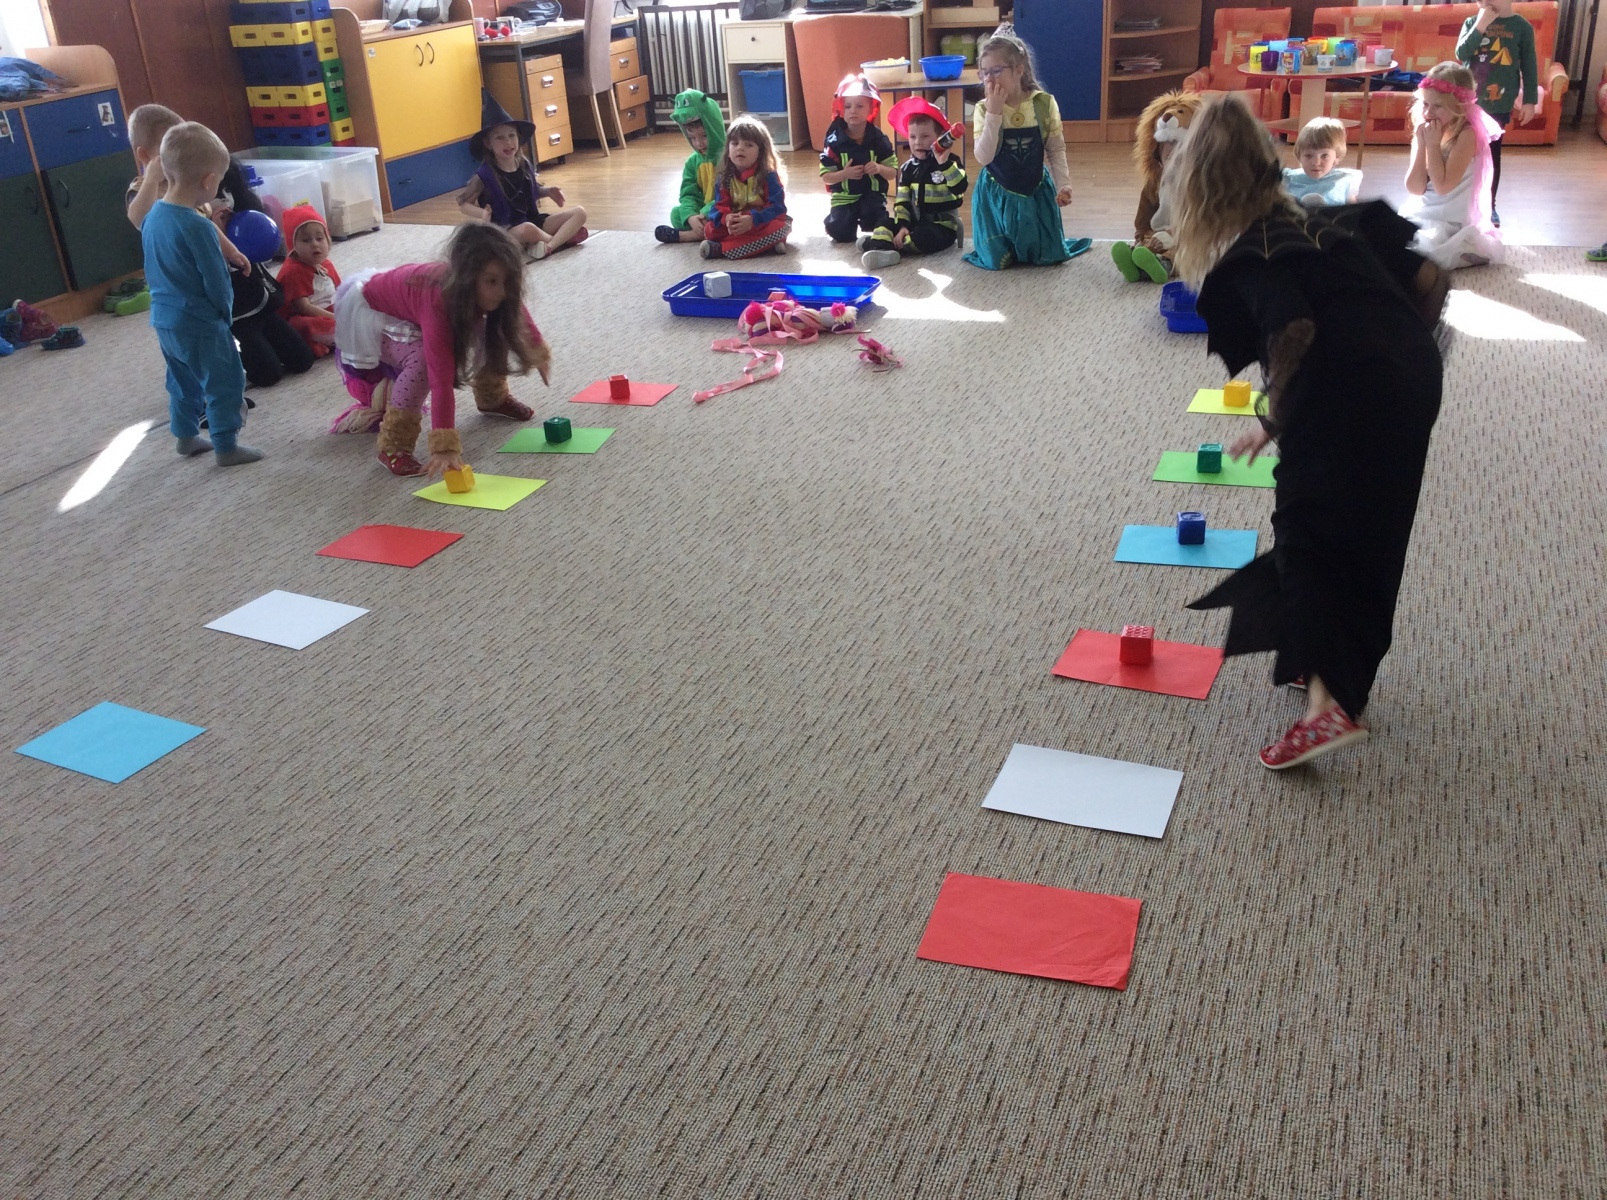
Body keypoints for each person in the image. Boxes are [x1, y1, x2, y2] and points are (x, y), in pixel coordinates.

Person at [1167, 95, 1444, 769]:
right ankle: (1335, 674)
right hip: (1410, 378)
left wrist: (1276, 416)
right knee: (1374, 530)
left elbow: (1293, 330)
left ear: (1203, 188)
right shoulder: (1328, 219)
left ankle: (1328, 706)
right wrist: (1397, 346)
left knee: (1307, 533)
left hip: (1344, 392)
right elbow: (1431, 276)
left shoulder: (1254, 254)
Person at [331, 223, 550, 478]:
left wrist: (537, 349)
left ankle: (492, 398)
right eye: (492, 281)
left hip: (413, 303)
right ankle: (393, 445)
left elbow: (515, 311)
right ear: (468, 278)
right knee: (423, 362)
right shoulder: (438, 304)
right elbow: (440, 379)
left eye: (507, 281)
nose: (502, 291)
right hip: (373, 312)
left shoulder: (488, 290)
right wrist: (444, 446)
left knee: (493, 326)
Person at [140, 122, 263, 466]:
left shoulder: (153, 216)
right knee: (225, 381)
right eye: (219, 181)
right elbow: (216, 280)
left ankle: (185, 435)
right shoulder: (197, 226)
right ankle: (226, 446)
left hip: (164, 320)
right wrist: (225, 313)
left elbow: (152, 268)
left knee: (182, 381)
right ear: (209, 181)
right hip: (200, 322)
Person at [964, 25, 1092, 270]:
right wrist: (994, 113)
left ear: (1018, 70)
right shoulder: (982, 109)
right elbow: (984, 157)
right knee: (997, 261)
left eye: (996, 71)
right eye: (984, 72)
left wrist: (1064, 184)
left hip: (1034, 188)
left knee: (1047, 257)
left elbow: (1055, 149)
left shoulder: (1043, 103)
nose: (989, 78)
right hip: (997, 192)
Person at [456, 92, 587, 261]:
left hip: (534, 221)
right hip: (507, 231)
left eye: (512, 135)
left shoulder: (524, 165)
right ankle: (560, 241)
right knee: (527, 229)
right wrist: (482, 213)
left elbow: (529, 191)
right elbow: (464, 205)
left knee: (579, 212)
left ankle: (548, 246)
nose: (508, 142)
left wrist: (547, 191)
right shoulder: (484, 175)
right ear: (488, 144)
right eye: (500, 138)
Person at [1401, 62, 1503, 269]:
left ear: (1459, 107)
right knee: (1386, 240)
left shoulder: (1467, 134)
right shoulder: (1427, 129)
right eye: (1425, 104)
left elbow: (1442, 187)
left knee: (1423, 255)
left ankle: (1466, 250)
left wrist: (1432, 146)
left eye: (1438, 106)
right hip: (1423, 211)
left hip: (1450, 219)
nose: (1428, 112)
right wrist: (1421, 145)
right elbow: (1415, 188)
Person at [860, 97, 968, 269]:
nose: (918, 142)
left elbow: (960, 187)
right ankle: (882, 247)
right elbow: (902, 201)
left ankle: (881, 244)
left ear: (939, 137)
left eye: (925, 136)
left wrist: (944, 164)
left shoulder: (951, 162)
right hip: (914, 222)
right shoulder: (908, 168)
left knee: (924, 236)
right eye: (912, 137)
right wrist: (903, 226)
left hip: (941, 226)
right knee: (884, 222)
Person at [1456, 0, 1538, 225]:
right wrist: (1480, 25)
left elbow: (1529, 65)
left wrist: (1530, 100)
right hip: (1468, 104)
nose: (1485, 2)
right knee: (1463, 154)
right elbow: (1461, 53)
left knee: (1492, 156)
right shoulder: (1472, 22)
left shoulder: (1522, 27)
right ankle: (1461, 203)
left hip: (1499, 104)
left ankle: (1489, 205)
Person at [819, 74, 898, 244]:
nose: (853, 110)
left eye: (859, 106)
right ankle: (836, 220)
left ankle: (875, 226)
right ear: (841, 109)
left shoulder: (879, 139)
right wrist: (844, 174)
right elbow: (826, 177)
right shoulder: (834, 142)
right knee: (840, 232)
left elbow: (892, 173)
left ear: (871, 109)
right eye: (848, 106)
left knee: (878, 220)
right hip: (844, 196)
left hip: (872, 194)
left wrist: (879, 168)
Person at [700, 115, 790, 260]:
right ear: (728, 149)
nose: (740, 148)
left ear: (761, 151)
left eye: (748, 145)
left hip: (760, 223)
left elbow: (778, 208)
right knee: (710, 230)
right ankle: (767, 246)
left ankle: (721, 249)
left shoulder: (769, 176)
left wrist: (753, 220)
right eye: (734, 143)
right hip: (736, 225)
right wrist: (727, 218)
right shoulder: (724, 178)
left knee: (780, 228)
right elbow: (717, 207)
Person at [655, 89, 726, 244]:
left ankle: (687, 236)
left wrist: (705, 213)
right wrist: (691, 216)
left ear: (714, 129)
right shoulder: (692, 162)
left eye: (704, 136)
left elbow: (729, 196)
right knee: (676, 214)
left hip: (721, 208)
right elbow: (688, 193)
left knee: (728, 215)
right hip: (702, 214)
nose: (699, 143)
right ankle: (704, 231)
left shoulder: (728, 158)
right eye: (692, 138)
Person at [275, 204, 340, 356]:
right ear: (293, 246)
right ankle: (340, 337)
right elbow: (303, 308)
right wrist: (335, 318)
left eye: (319, 238)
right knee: (304, 324)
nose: (315, 244)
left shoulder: (326, 264)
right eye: (306, 240)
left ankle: (338, 336)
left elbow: (340, 291)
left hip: (327, 310)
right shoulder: (293, 271)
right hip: (306, 315)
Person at [1282, 117, 1362, 208]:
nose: (1316, 163)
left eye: (1324, 156)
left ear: (1337, 156)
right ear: (1299, 155)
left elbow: (1352, 211)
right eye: (1308, 156)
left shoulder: (1344, 180)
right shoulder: (1289, 179)